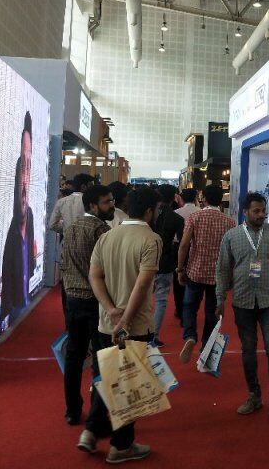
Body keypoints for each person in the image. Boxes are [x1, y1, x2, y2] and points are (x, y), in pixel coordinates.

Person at [80, 188, 162, 463]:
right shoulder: (151, 239)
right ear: (149, 211)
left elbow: (94, 276)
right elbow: (143, 283)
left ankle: (91, 432)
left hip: (106, 323)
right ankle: (121, 446)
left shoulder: (107, 236)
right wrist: (124, 319)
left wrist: (110, 310)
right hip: (134, 325)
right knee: (129, 384)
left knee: (107, 377)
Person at [215, 192, 269, 420]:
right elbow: (222, 269)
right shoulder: (231, 236)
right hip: (243, 302)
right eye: (256, 211)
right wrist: (220, 298)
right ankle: (254, 395)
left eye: (263, 211)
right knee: (248, 350)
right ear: (245, 212)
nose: (261, 215)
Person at [60, 185, 114, 425]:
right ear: (93, 206)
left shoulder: (71, 226)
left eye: (111, 201)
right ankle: (96, 414)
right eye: (106, 202)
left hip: (72, 299)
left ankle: (72, 410)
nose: (111, 205)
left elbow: (65, 261)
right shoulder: (101, 230)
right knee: (101, 357)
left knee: (74, 356)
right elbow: (107, 269)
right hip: (95, 301)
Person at [177, 184, 236, 363]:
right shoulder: (229, 222)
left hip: (195, 271)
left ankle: (190, 336)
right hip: (218, 276)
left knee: (189, 307)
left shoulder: (195, 217)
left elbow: (184, 245)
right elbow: (232, 253)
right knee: (212, 313)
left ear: (204, 199)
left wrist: (180, 268)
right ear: (221, 200)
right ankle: (207, 349)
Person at [0, 112, 35, 322]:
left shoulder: (30, 217)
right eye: (22, 166)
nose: (25, 181)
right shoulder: (5, 227)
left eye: (28, 167)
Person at [152, 184, 185, 347]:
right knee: (161, 300)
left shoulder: (149, 215)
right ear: (174, 198)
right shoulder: (177, 219)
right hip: (165, 263)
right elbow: (181, 243)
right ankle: (153, 336)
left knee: (141, 299)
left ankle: (138, 333)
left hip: (144, 260)